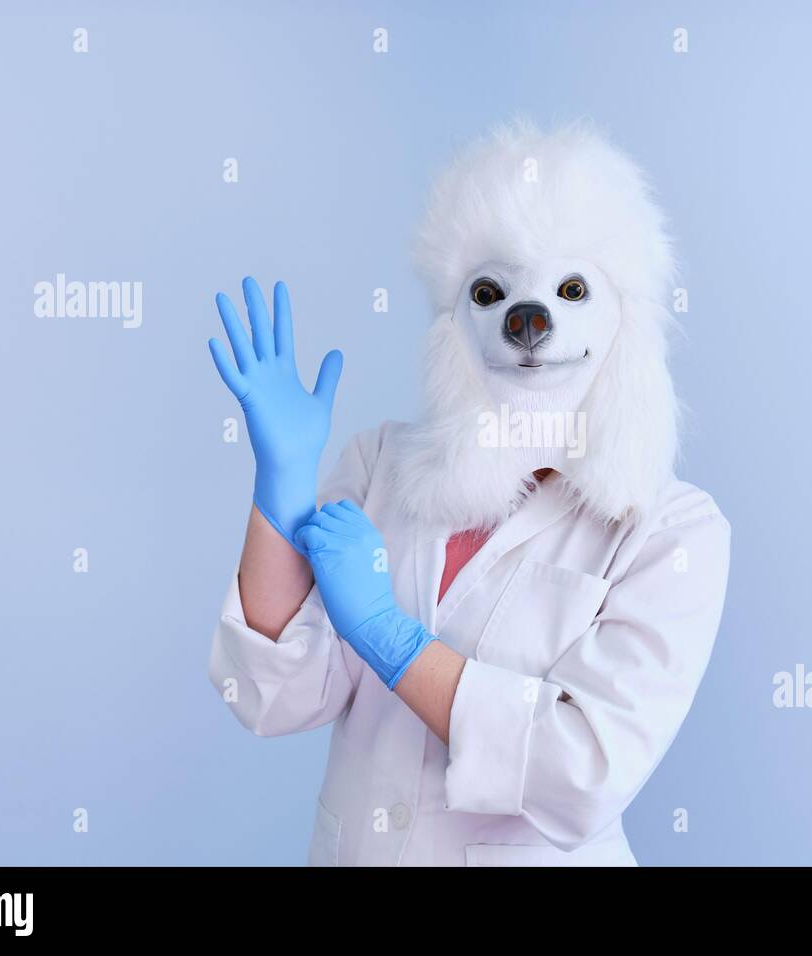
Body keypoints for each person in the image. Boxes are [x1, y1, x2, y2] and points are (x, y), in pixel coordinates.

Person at [207, 121, 730, 866]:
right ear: (453, 324)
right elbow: (274, 696)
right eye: (491, 293)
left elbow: (582, 772)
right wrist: (280, 485)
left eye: (570, 290)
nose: (528, 319)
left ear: (623, 318)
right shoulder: (384, 463)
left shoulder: (674, 533)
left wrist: (392, 638)